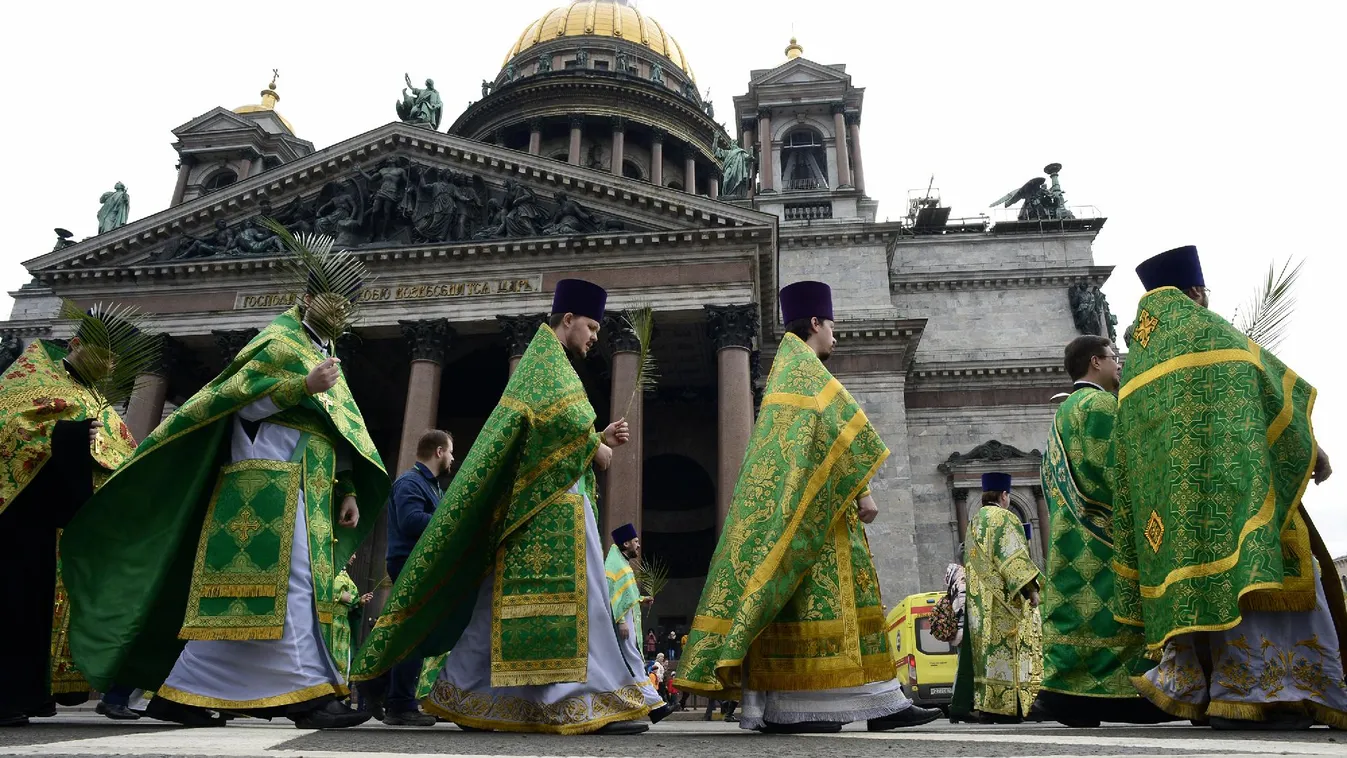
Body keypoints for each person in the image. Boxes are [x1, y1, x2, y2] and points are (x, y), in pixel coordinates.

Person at [63, 235, 389, 730]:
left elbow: (336, 427)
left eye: (347, 304)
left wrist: (346, 489)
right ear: (306, 299)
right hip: (266, 483)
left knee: (257, 593)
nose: (340, 312)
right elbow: (237, 404)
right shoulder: (279, 344)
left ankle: (186, 693)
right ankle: (306, 695)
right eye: (331, 300)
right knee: (292, 584)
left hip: (310, 484)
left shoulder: (326, 356)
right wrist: (301, 387)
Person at [352, 279, 660, 735]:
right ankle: (587, 701)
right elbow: (564, 422)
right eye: (592, 326)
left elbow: (548, 434)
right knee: (581, 602)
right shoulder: (547, 365)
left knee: (502, 605)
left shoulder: (548, 362)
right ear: (568, 319)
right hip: (547, 509)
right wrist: (595, 449)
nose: (595, 336)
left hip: (550, 503)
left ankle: (473, 698)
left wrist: (597, 439)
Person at [675, 281, 941, 733]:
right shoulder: (807, 373)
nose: (836, 336)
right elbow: (838, 428)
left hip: (810, 509)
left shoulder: (786, 370)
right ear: (815, 323)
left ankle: (805, 706)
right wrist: (863, 490)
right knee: (837, 606)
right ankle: (866, 704)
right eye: (832, 326)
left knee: (805, 609)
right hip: (821, 518)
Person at [1111, 245, 1347, 729]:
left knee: (1200, 593)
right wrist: (1312, 452)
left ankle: (1206, 691)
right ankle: (1263, 694)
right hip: (1234, 499)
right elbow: (1268, 387)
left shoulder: (1136, 365)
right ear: (1195, 291)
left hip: (1171, 525)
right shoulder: (1209, 332)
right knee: (1269, 579)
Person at [0, 314, 140, 727]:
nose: (109, 367)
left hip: (56, 521)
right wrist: (69, 436)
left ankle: (29, 692)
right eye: (103, 355)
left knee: (37, 609)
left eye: (116, 361)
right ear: (76, 343)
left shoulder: (92, 395)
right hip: (16, 518)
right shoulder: (32, 375)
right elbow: (9, 428)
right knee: (13, 603)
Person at [1037, 336, 1173, 727]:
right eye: (1115, 358)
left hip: (1069, 535)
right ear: (1095, 362)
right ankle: (1125, 695)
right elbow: (1118, 468)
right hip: (1104, 536)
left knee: (1076, 617)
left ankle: (1069, 696)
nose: (1119, 365)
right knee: (1115, 615)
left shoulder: (1064, 411)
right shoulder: (1100, 405)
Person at [378, 430, 455, 727]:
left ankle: (383, 691)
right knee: (411, 635)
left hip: (421, 564)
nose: (452, 457)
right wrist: (452, 518)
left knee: (413, 633)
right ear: (438, 452)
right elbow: (411, 522)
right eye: (450, 451)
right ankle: (399, 704)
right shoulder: (410, 482)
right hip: (409, 563)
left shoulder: (432, 486)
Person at [963, 473, 1042, 724]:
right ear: (1004, 495)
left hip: (978, 602)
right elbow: (1013, 558)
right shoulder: (1005, 518)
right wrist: (1031, 589)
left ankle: (987, 707)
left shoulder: (974, 522)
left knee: (985, 653)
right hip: (1002, 601)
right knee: (1007, 651)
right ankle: (1008, 708)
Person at [606, 523, 668, 717]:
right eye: (635, 541)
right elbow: (611, 596)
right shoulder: (615, 565)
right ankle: (656, 706)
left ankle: (646, 708)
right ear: (626, 543)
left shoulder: (623, 563)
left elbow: (626, 597)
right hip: (623, 623)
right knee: (633, 661)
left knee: (631, 662)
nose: (638, 545)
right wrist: (621, 620)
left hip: (628, 620)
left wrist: (641, 600)